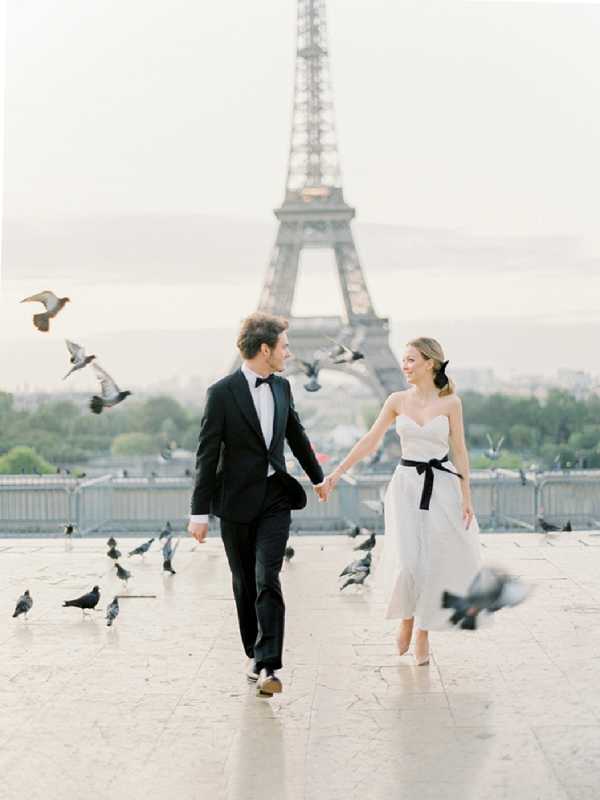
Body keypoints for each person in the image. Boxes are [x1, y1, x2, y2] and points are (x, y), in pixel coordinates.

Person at [187, 312, 327, 696]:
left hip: (275, 497)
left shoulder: (282, 387)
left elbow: (296, 435)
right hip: (235, 501)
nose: (289, 352)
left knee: (268, 575)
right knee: (244, 582)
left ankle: (268, 664)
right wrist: (199, 513)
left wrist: (318, 478)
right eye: (284, 346)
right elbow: (207, 454)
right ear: (265, 349)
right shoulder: (221, 393)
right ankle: (255, 652)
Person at [322, 337, 482, 666]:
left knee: (433, 562)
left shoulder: (451, 403)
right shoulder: (396, 400)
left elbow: (461, 452)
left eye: (411, 360)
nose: (404, 365)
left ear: (430, 363)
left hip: (442, 487)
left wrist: (467, 497)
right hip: (406, 487)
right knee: (409, 562)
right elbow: (370, 440)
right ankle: (407, 617)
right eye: (404, 359)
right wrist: (336, 474)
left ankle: (423, 629)